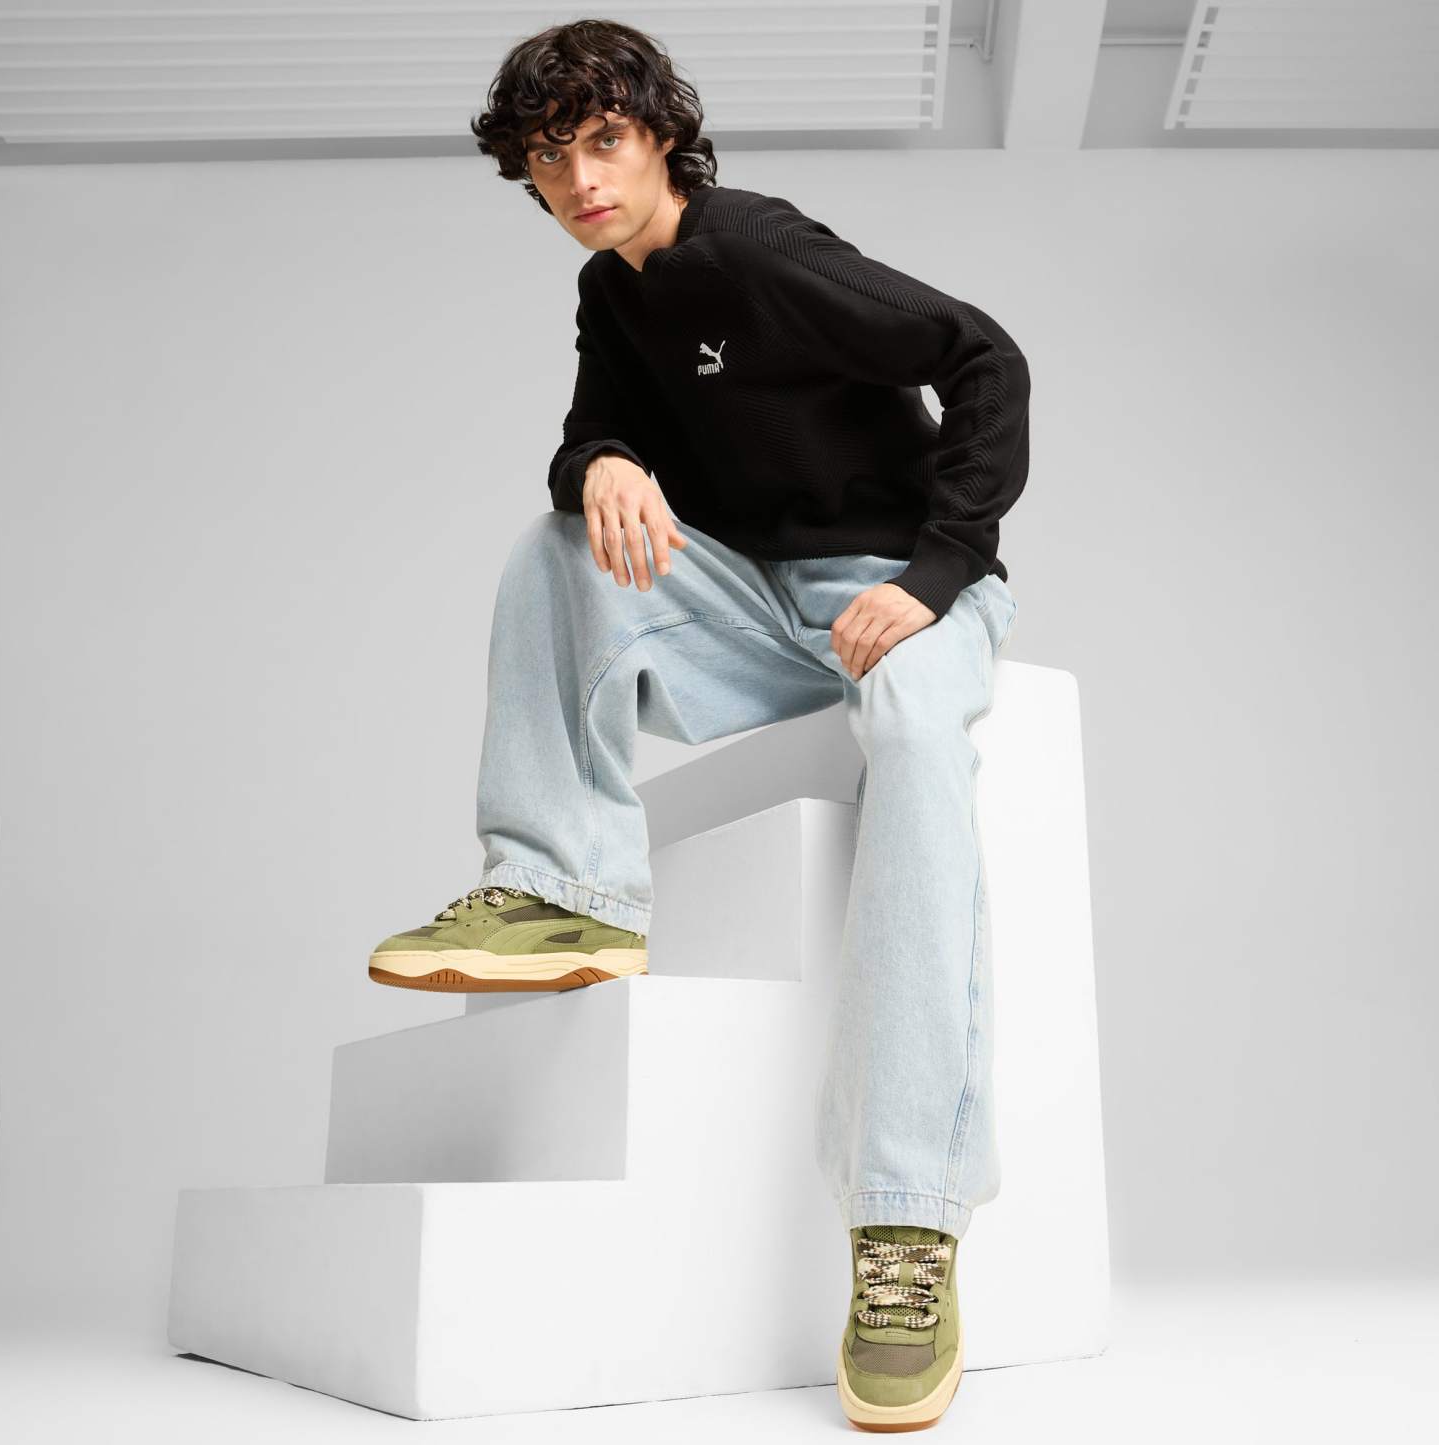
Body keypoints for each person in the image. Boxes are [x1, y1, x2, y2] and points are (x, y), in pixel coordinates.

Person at [368, 18, 1028, 1432]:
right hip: (758, 607)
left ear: (662, 134)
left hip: (899, 591)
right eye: (549, 158)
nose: (579, 181)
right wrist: (602, 458)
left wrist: (934, 573)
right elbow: (587, 429)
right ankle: (564, 886)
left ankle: (905, 1222)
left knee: (917, 749)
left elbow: (985, 356)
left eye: (602, 141)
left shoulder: (759, 252)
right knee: (556, 546)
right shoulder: (613, 288)